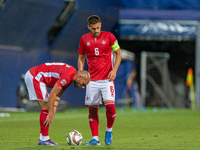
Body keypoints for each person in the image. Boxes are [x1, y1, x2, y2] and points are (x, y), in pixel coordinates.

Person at [77, 15, 122, 145]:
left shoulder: (109, 37)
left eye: (97, 27)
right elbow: (81, 57)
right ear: (88, 27)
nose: (96, 30)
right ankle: (95, 138)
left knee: (110, 108)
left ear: (100, 25)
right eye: (93, 28)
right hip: (92, 80)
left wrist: (114, 70)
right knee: (92, 109)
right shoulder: (84, 39)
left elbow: (118, 53)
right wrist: (80, 75)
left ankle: (109, 130)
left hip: (107, 79)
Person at [24, 62, 90, 146]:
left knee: (47, 108)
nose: (82, 86)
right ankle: (44, 139)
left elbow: (58, 95)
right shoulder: (68, 76)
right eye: (83, 83)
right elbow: (52, 94)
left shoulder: (70, 76)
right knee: (46, 106)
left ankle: (43, 138)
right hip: (35, 76)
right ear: (79, 76)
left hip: (37, 76)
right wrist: (50, 113)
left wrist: (53, 112)